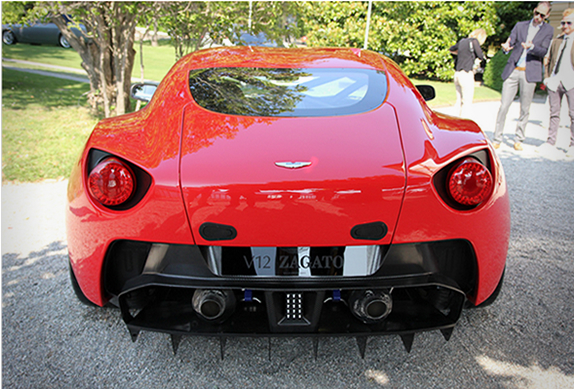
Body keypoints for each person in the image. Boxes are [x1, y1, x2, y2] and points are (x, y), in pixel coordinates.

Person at [492, 1, 554, 151]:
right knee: (504, 106)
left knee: (525, 109)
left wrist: (532, 47)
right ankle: (497, 138)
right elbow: (510, 42)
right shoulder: (520, 25)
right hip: (513, 70)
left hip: (529, 72)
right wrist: (506, 48)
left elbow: (544, 51)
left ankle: (518, 139)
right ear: (534, 11)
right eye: (537, 13)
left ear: (547, 16)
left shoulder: (548, 30)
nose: (538, 17)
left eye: (542, 15)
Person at [538, 8, 574, 158]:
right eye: (563, 23)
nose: (565, 26)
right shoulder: (557, 40)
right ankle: (550, 142)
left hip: (571, 81)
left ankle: (573, 145)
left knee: (573, 114)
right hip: (555, 81)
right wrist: (547, 78)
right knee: (554, 114)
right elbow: (548, 60)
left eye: (569, 23)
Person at [450, 29, 486, 118]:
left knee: (458, 100)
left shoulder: (462, 41)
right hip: (466, 73)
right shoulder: (474, 41)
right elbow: (480, 55)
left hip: (457, 73)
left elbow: (451, 49)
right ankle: (463, 125)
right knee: (466, 102)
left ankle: (454, 120)